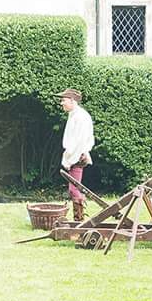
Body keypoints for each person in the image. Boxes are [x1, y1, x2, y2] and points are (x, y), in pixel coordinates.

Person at [59, 87, 95, 221]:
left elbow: (78, 142)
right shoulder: (74, 114)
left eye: (64, 100)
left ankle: (79, 220)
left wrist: (69, 160)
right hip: (76, 155)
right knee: (73, 189)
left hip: (78, 156)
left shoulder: (80, 117)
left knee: (74, 189)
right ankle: (78, 220)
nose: (61, 103)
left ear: (72, 100)